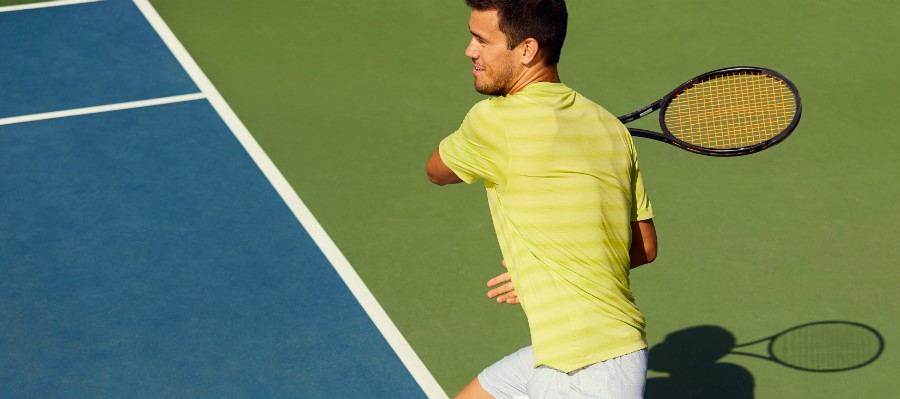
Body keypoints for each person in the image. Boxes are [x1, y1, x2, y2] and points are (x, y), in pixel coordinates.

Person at [426, 0, 659, 398]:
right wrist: (548, 271)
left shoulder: (492, 121)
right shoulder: (608, 127)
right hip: (598, 351)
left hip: (584, 371)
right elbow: (645, 248)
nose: (470, 50)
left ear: (527, 50)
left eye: (482, 39)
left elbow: (436, 171)